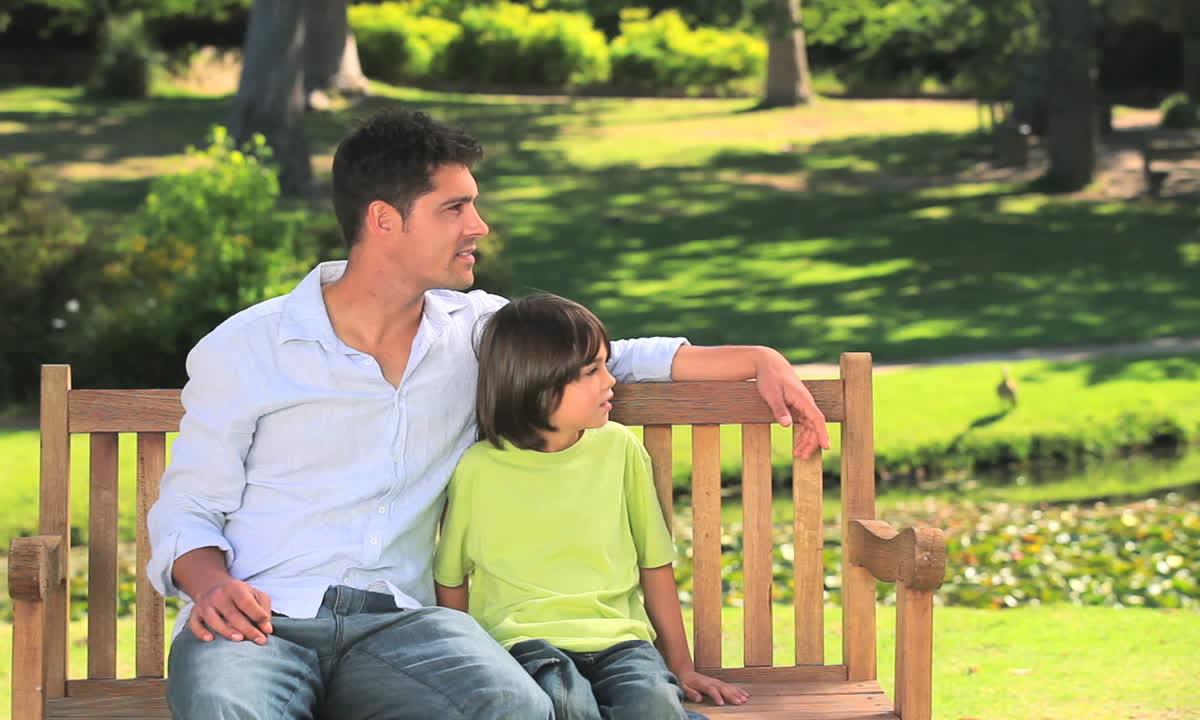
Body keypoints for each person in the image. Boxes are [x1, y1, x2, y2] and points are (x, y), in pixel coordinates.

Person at [147, 109, 829, 720]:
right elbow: (188, 511)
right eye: (455, 208)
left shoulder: (475, 333)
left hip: (403, 627)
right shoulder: (247, 348)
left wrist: (757, 358)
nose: (479, 226)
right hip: (260, 621)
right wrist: (212, 587)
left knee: (513, 705)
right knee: (227, 708)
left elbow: (606, 358)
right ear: (384, 220)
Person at [434, 293, 751, 720]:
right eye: (591, 371)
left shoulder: (619, 448)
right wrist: (471, 667)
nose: (610, 380)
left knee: (656, 705)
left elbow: (654, 564)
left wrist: (682, 667)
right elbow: (450, 578)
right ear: (536, 383)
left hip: (622, 643)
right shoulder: (478, 469)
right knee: (569, 706)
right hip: (525, 646)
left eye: (605, 365)